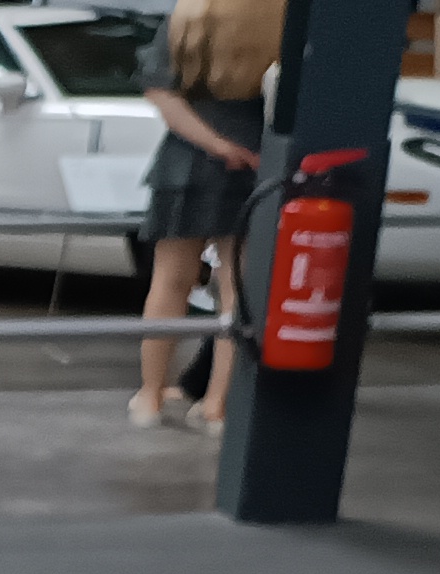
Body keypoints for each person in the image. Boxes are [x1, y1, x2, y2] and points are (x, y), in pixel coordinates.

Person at [133, 0, 274, 430]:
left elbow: (161, 93)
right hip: (258, 157)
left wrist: (215, 145)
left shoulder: (188, 14)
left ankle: (150, 396)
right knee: (237, 289)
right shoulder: (284, 19)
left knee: (169, 281)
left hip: (186, 160)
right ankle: (217, 405)